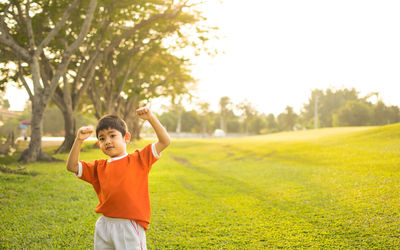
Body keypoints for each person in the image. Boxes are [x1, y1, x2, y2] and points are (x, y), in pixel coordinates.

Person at [66, 107, 170, 249]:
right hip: (104, 225)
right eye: (102, 138)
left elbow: (164, 141)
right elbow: (72, 166)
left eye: (112, 135)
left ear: (126, 137)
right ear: (99, 144)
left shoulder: (139, 159)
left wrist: (150, 118)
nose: (107, 141)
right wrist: (78, 140)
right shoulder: (98, 167)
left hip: (128, 225)